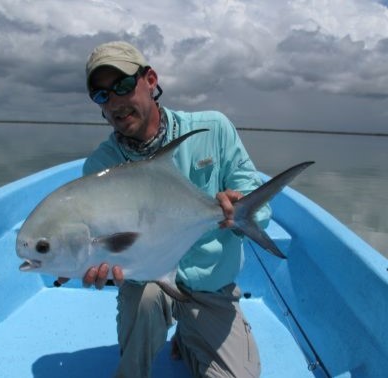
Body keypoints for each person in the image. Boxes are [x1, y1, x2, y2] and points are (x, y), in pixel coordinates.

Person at [81, 41, 270, 378]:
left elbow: (260, 206)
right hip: (148, 282)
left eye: (123, 85)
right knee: (146, 298)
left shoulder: (212, 129)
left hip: (211, 286)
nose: (115, 102)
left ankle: (189, 334)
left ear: (150, 80)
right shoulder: (100, 167)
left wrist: (237, 209)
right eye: (102, 95)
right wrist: (95, 261)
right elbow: (104, 242)